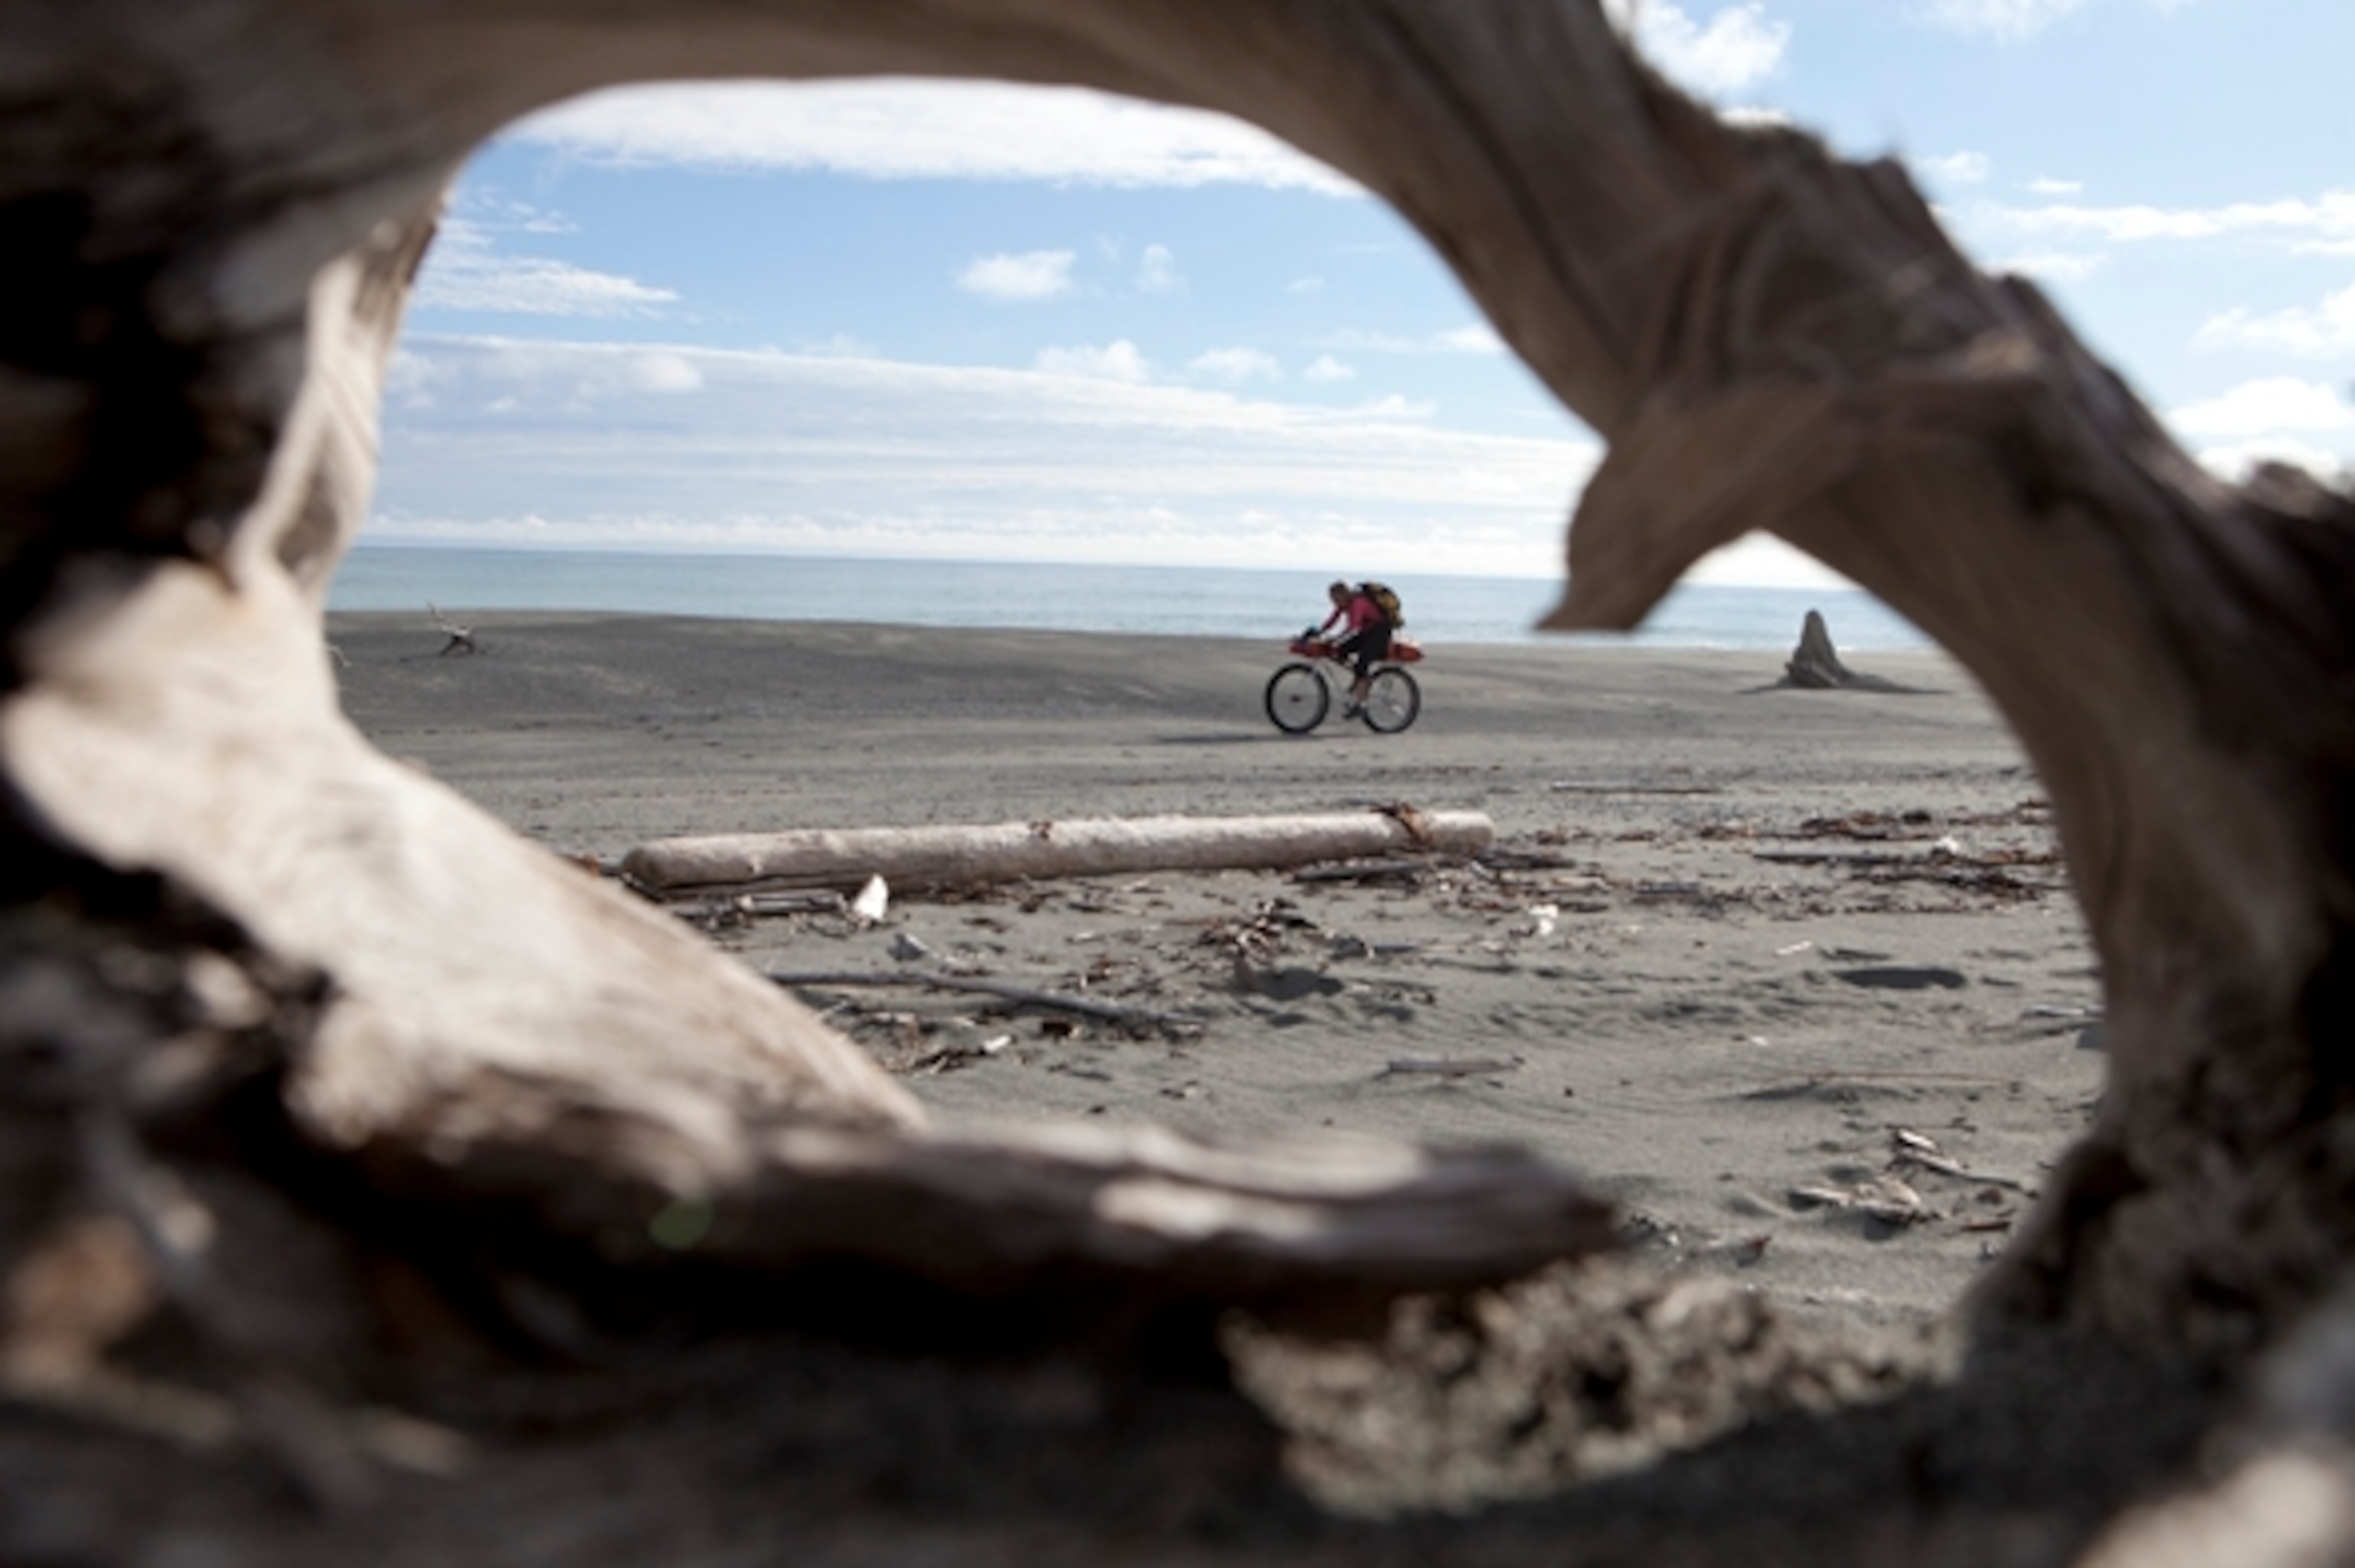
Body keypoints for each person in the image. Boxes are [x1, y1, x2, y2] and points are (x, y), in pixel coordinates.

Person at [1316, 579, 1392, 717]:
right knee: (1338, 652)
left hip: (1379, 632)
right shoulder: (1344, 604)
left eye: (1335, 599)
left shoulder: (1357, 603)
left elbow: (1354, 629)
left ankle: (1362, 704)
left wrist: (1336, 640)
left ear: (1343, 595)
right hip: (1366, 631)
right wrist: (1319, 632)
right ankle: (1361, 679)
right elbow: (1333, 619)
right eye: (1332, 599)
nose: (1334, 602)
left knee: (1361, 665)